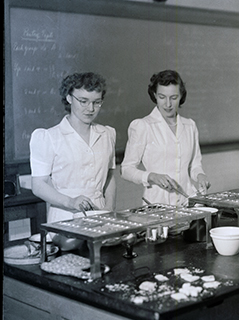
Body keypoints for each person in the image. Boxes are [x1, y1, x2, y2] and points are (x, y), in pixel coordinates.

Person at [30, 73, 116, 248]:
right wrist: (71, 202)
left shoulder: (107, 134)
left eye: (96, 102)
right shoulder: (48, 137)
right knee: (71, 265)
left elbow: (109, 177)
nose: (90, 108)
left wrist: (109, 212)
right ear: (69, 98)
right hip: (64, 219)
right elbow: (38, 185)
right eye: (83, 101)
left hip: (101, 218)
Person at [121, 70, 210, 207]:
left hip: (189, 202)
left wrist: (200, 176)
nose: (168, 104)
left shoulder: (189, 125)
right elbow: (126, 169)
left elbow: (195, 165)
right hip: (157, 205)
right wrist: (151, 176)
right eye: (162, 97)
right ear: (155, 95)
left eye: (173, 98)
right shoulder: (142, 126)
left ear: (181, 96)